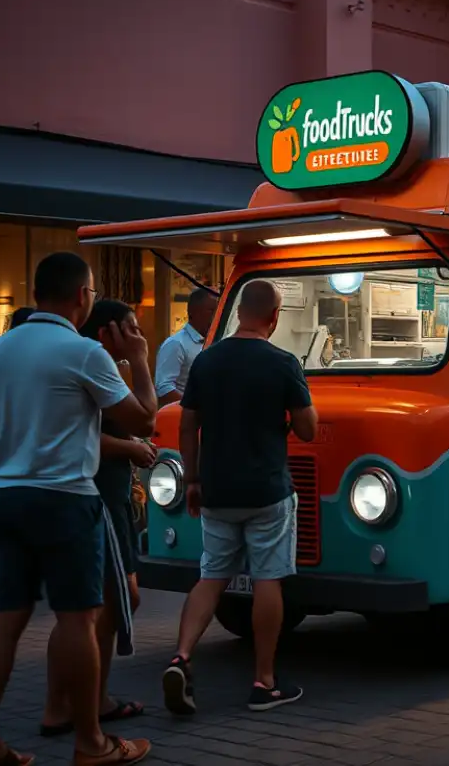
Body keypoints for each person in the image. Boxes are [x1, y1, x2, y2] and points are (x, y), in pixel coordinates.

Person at [0, 252, 156, 766]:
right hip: (63, 498)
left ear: (36, 293)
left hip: (2, 494)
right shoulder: (81, 352)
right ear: (82, 296)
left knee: (5, 617)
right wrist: (140, 358)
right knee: (79, 618)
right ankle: (91, 742)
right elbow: (143, 421)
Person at [162, 279, 316, 716]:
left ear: (237, 313)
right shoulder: (283, 363)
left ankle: (182, 657)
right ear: (274, 317)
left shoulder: (207, 362)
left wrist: (192, 480)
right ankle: (264, 682)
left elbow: (187, 425)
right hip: (267, 490)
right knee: (268, 579)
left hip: (216, 489)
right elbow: (306, 429)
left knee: (211, 577)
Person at [39, 301, 159, 738]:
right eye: (131, 328)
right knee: (108, 601)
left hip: (102, 496)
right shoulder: (91, 361)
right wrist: (142, 361)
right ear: (108, 331)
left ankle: (69, 703)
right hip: (99, 499)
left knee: (86, 609)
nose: (138, 334)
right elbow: (144, 415)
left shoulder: (92, 361)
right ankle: (86, 703)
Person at [155, 288, 217, 406]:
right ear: (193, 311)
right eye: (211, 311)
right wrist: (194, 408)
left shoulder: (214, 342)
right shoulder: (176, 344)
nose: (215, 317)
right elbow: (164, 388)